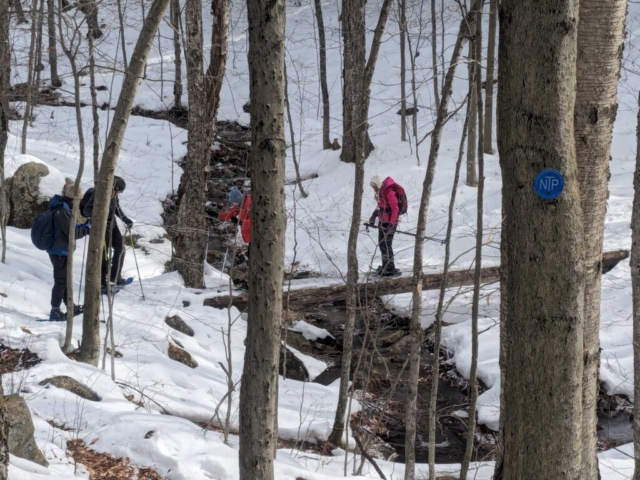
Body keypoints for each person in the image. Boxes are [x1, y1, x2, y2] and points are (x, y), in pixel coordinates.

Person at [47, 184, 91, 321]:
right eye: (79, 199)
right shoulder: (63, 211)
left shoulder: (62, 207)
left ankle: (70, 306)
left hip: (60, 250)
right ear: (74, 198)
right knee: (60, 281)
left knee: (64, 280)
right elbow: (72, 233)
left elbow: (68, 228)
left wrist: (82, 226)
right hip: (59, 251)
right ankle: (55, 311)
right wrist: (86, 228)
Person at [82, 176, 133, 293]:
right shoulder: (98, 193)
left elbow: (116, 209)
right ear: (114, 188)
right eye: (119, 191)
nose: (119, 194)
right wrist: (101, 218)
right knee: (104, 255)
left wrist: (125, 219)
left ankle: (115, 276)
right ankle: (102, 284)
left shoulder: (113, 196)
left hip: (112, 226)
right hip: (101, 229)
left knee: (121, 249)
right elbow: (86, 210)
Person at [368, 175, 400, 276]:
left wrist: (391, 224)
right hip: (382, 222)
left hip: (390, 223)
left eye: (374, 186)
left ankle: (390, 269)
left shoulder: (389, 192)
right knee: (382, 245)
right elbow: (380, 207)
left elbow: (395, 209)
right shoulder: (381, 192)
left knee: (387, 245)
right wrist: (373, 217)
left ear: (378, 184)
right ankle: (385, 266)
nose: (373, 188)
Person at [219, 187, 252, 264]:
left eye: (234, 202)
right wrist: (218, 215)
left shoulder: (250, 205)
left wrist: (241, 222)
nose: (233, 204)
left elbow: (254, 221)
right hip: (247, 234)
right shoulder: (239, 205)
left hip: (253, 233)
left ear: (239, 200)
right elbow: (231, 213)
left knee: (251, 252)